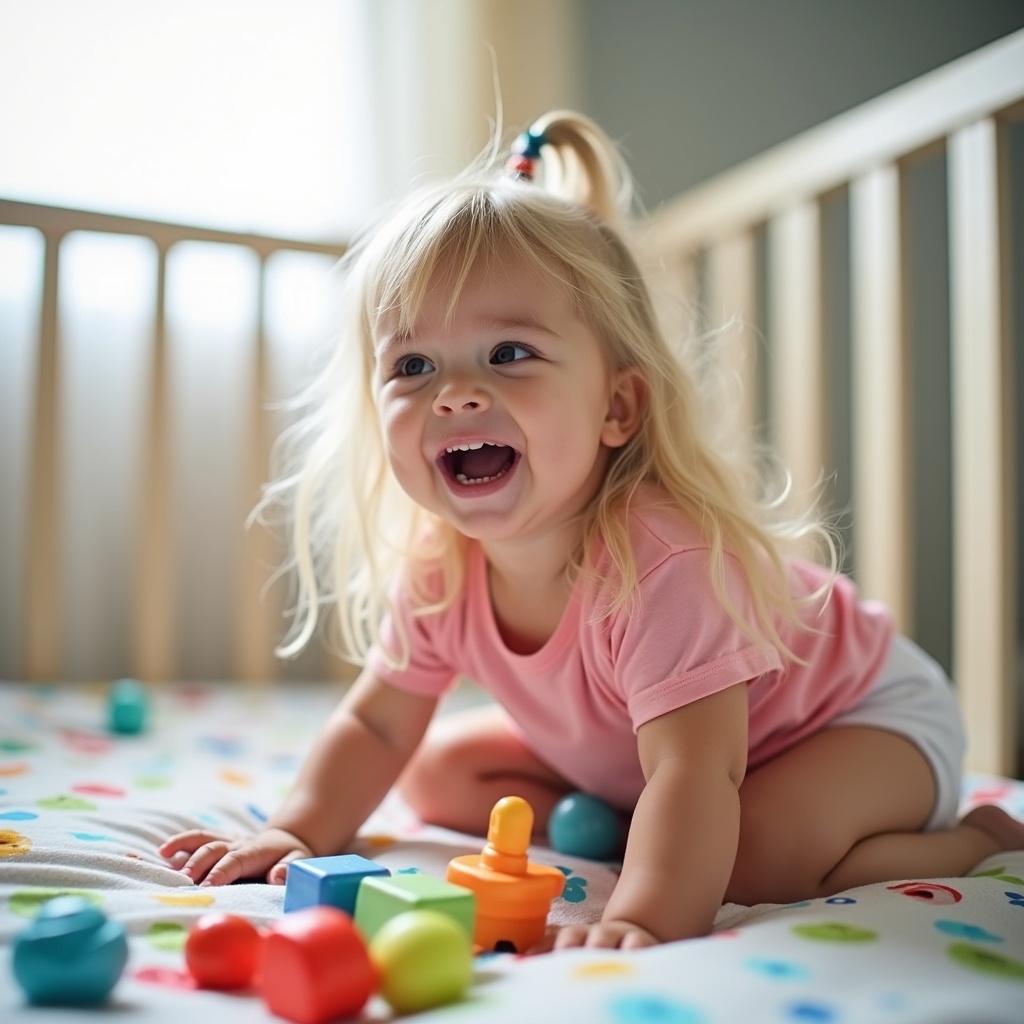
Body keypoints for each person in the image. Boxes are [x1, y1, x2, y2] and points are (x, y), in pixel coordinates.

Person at [160, 110, 1024, 950]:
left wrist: (646, 913)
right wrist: (298, 831)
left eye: (510, 354)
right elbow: (382, 726)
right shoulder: (441, 568)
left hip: (859, 724)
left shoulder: (660, 563)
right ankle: (639, 821)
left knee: (748, 855)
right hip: (662, 754)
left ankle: (974, 838)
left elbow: (698, 770)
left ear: (616, 407)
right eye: (413, 366)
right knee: (436, 771)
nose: (454, 392)